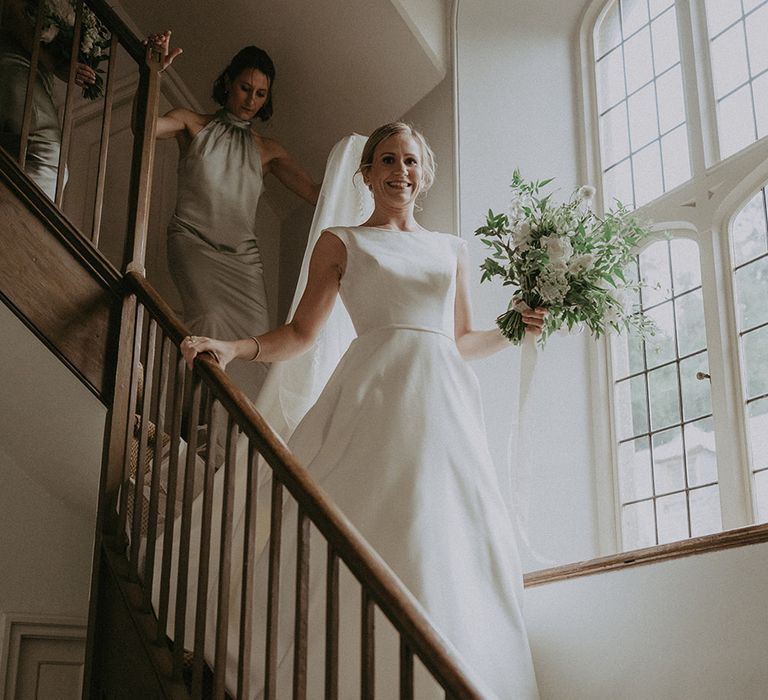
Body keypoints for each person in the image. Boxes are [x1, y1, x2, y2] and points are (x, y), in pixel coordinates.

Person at [179, 123, 542, 698]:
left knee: (445, 533)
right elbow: (300, 333)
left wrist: (512, 328)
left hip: (443, 405)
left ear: (424, 175)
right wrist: (235, 347)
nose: (401, 171)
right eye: (388, 160)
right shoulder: (341, 241)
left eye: (411, 162)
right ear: (367, 174)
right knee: (354, 525)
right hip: (373, 395)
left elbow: (461, 340)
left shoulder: (452, 249)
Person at [144, 31, 321, 399]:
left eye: (260, 94)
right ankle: (182, 417)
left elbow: (317, 194)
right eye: (245, 88)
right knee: (207, 317)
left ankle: (228, 440)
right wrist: (153, 74)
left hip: (243, 262)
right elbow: (142, 128)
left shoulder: (269, 150)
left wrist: (367, 172)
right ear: (227, 82)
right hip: (193, 243)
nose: (251, 100)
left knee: (256, 347)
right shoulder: (191, 123)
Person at [0, 0, 96, 200]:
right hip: (14, 62)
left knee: (17, 154)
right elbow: (12, 15)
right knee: (51, 162)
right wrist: (55, 65)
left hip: (38, 75)